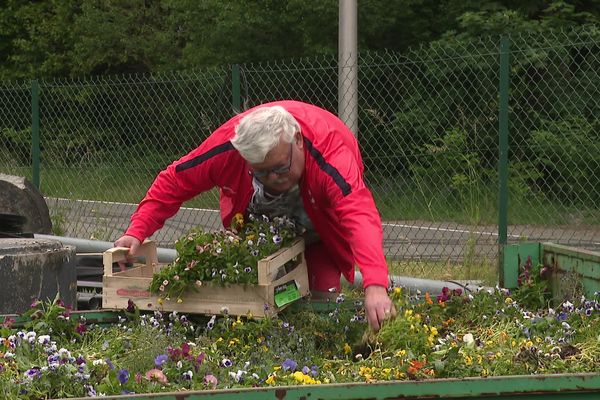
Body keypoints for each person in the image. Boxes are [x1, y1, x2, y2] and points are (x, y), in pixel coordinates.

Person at [114, 100, 396, 330]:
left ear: (297, 140)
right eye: (260, 172)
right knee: (251, 304)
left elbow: (359, 214)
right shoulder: (229, 147)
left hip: (318, 230)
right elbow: (176, 181)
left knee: (322, 301)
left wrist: (375, 285)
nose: (273, 178)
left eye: (280, 168)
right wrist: (136, 231)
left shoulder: (331, 153)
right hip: (258, 233)